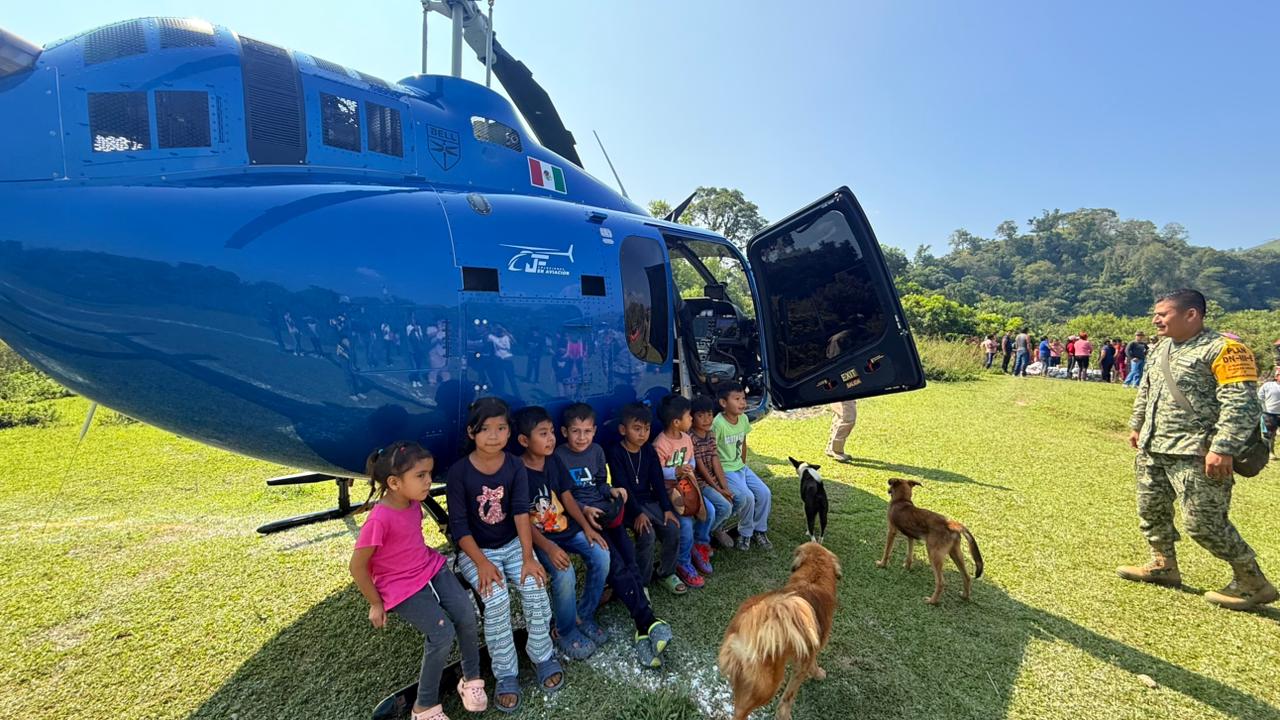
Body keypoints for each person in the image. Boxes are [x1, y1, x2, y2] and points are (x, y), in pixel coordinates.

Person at [1118, 289, 1276, 611]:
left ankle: (1252, 582)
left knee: (1203, 523)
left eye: (1163, 314)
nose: (1156, 319)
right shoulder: (1161, 347)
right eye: (1155, 313)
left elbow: (1240, 404)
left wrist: (1223, 447)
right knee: (1151, 511)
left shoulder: (1226, 350)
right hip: (1154, 447)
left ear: (1191, 314)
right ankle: (1163, 565)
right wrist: (1137, 425)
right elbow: (1146, 390)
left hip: (1198, 452)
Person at [351, 441, 486, 720]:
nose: (429, 481)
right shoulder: (379, 520)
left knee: (466, 613)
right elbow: (357, 566)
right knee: (442, 633)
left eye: (429, 473)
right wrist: (376, 603)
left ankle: (471, 679)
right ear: (394, 482)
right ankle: (423, 708)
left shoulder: (413, 503)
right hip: (399, 585)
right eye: (421, 475)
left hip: (429, 567)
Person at [446, 397, 561, 711]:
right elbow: (458, 526)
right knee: (495, 599)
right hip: (477, 551)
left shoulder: (514, 466)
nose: (494, 436)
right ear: (472, 433)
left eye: (501, 428)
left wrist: (528, 557)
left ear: (510, 433)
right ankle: (506, 673)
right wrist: (481, 563)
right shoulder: (458, 473)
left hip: (513, 545)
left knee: (535, 586)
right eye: (485, 429)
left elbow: (520, 513)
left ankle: (542, 654)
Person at [514, 406, 610, 661]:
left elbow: (566, 496)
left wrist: (587, 528)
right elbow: (522, 519)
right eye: (543, 434)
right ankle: (564, 630)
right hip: (543, 539)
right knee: (564, 572)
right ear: (524, 440)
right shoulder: (517, 471)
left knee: (601, 553)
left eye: (552, 432)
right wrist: (548, 548)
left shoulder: (554, 460)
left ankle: (583, 614)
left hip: (567, 529)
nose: (551, 439)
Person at [602, 403, 687, 595]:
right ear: (623, 429)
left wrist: (666, 508)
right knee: (647, 533)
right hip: (628, 505)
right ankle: (641, 583)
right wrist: (638, 513)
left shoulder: (648, 450)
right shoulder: (616, 452)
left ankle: (667, 573)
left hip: (648, 500)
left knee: (672, 528)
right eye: (637, 429)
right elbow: (623, 485)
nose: (642, 434)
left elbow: (657, 481)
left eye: (647, 429)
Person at [653, 395, 713, 587]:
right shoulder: (660, 444)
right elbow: (657, 472)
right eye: (689, 416)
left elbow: (691, 460)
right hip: (670, 492)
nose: (692, 420)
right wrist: (675, 471)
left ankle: (698, 545)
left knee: (709, 512)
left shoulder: (686, 438)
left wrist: (689, 468)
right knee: (685, 525)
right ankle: (683, 563)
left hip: (688, 487)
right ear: (676, 422)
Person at [714, 383, 773, 550]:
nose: (742, 403)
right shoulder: (718, 424)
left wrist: (743, 465)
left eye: (744, 399)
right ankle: (745, 533)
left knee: (764, 493)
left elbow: (744, 444)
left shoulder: (744, 419)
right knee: (747, 497)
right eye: (737, 399)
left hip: (740, 467)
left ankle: (760, 530)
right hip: (726, 470)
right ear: (723, 403)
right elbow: (712, 453)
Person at [690, 395, 736, 549]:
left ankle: (715, 529)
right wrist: (719, 490)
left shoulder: (710, 434)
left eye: (709, 414)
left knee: (737, 499)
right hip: (701, 483)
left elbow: (715, 459)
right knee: (725, 506)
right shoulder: (691, 437)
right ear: (691, 417)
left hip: (714, 480)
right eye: (700, 415)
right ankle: (700, 539)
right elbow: (701, 468)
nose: (706, 419)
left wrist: (725, 488)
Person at [1260, 368, 1280, 457]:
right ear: (1276, 376)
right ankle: (1270, 452)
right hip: (1270, 414)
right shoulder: (1267, 385)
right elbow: (1260, 398)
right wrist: (1263, 410)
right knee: (1270, 435)